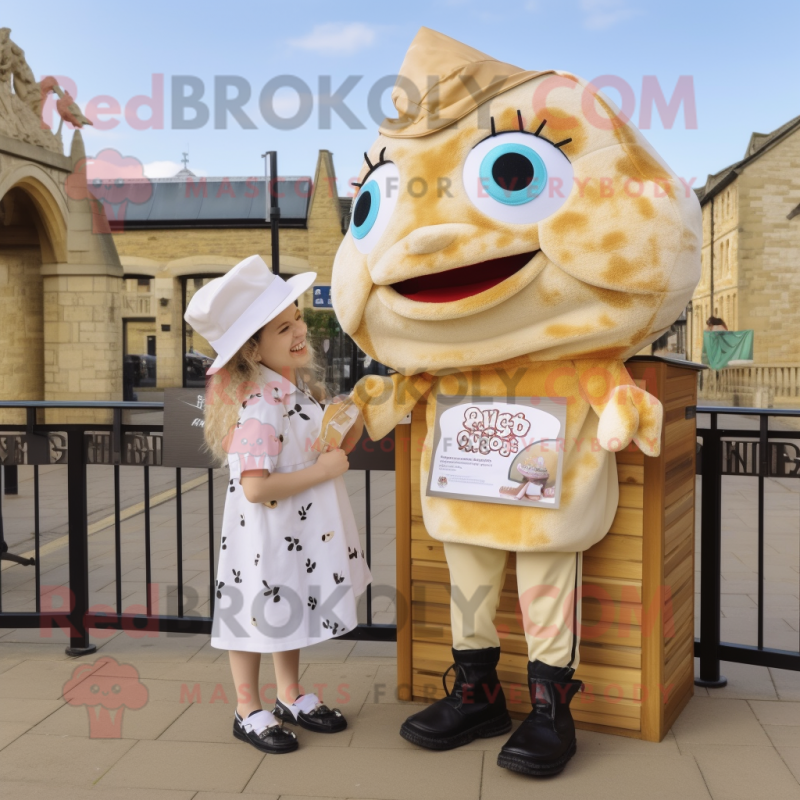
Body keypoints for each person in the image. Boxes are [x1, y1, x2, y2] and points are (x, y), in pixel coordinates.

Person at [185, 254, 372, 755]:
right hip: (266, 532)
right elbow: (255, 487)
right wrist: (326, 470)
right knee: (255, 615)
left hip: (292, 527)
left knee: (284, 605)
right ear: (252, 349)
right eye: (283, 327)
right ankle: (247, 708)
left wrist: (356, 416)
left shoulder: (292, 390)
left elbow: (325, 447)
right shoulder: (262, 404)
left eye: (297, 320)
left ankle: (288, 694)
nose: (299, 332)